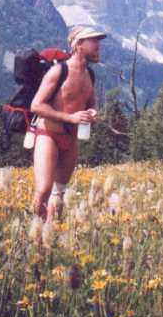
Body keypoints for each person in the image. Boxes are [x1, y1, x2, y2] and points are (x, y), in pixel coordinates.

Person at [30, 25, 106, 222]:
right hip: (48, 135)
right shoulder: (59, 71)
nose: (98, 45)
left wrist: (93, 112)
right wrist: (70, 118)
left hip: (71, 139)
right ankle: (33, 236)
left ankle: (51, 235)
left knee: (59, 192)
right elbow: (36, 105)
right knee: (44, 189)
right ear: (79, 44)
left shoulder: (90, 74)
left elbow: (91, 101)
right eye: (94, 41)